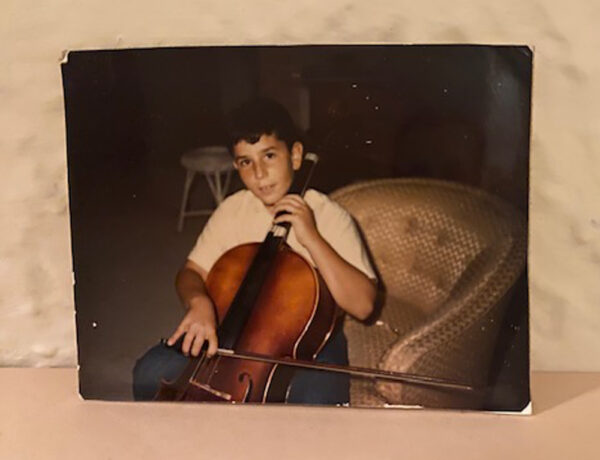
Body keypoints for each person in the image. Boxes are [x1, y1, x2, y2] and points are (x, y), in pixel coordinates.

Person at [133, 98, 377, 405]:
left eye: (269, 156)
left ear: (296, 155)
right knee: (150, 371)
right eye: (246, 162)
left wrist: (312, 238)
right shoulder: (233, 209)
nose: (259, 174)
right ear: (237, 166)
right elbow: (191, 272)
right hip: (234, 326)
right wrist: (199, 303)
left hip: (308, 340)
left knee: (314, 401)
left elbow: (364, 306)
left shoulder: (330, 216)